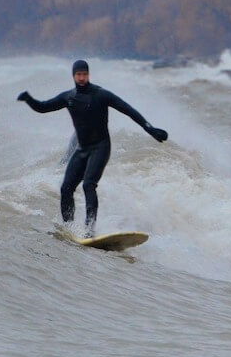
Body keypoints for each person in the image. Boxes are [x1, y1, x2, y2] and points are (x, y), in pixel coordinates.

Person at [17, 59, 168, 236]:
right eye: (78, 74)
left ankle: (90, 230)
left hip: (100, 147)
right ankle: (69, 228)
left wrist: (150, 129)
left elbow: (128, 110)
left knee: (89, 185)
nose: (81, 78)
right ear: (73, 76)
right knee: (66, 188)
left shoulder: (101, 95)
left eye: (84, 74)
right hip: (82, 150)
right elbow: (43, 107)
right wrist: (28, 99)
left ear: (88, 75)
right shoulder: (68, 97)